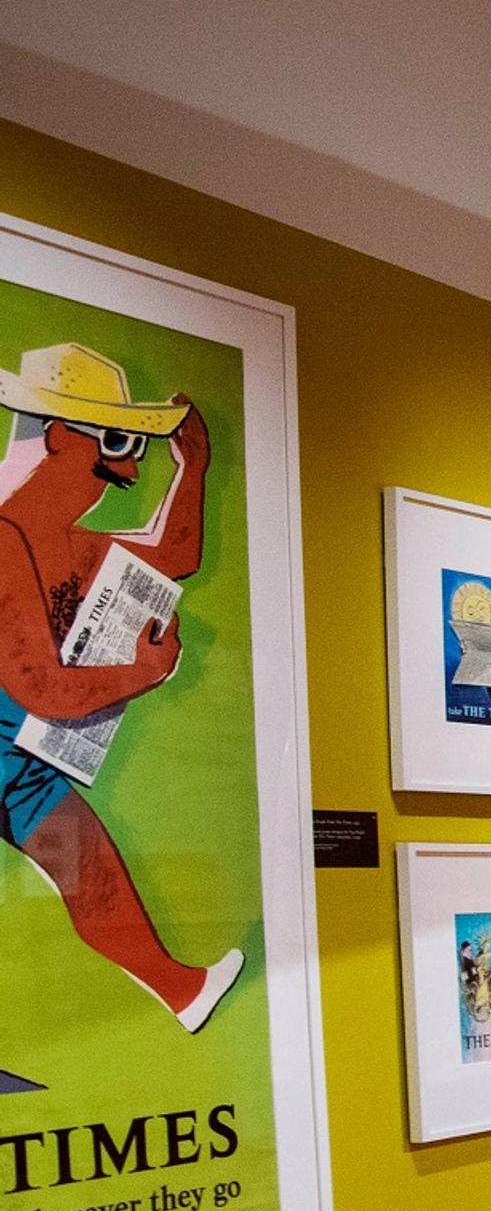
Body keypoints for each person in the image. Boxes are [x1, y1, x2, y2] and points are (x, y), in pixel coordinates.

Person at [0, 343, 242, 1039]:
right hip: (15, 746)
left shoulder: (65, 542)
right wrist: (143, 672)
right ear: (54, 437)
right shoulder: (6, 541)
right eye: (112, 441)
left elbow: (175, 557)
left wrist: (193, 467)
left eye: (133, 445)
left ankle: (181, 989)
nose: (129, 467)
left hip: (15, 761)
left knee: (89, 866)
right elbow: (40, 685)